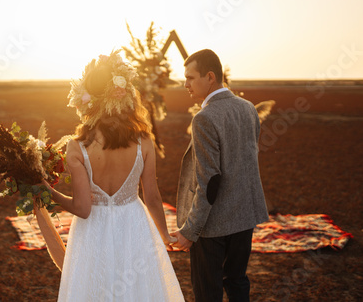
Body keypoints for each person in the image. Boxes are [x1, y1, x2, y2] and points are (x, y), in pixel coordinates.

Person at [44, 51, 184, 301]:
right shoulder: (144, 142)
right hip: (134, 225)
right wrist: (164, 234)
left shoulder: (77, 146)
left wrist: (50, 194)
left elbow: (83, 208)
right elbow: (152, 196)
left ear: (86, 100)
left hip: (92, 231)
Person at [170, 49, 269, 301]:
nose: (185, 84)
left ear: (210, 77)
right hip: (245, 216)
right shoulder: (248, 108)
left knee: (208, 293)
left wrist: (190, 231)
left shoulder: (204, 118)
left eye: (191, 78)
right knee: (237, 282)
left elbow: (210, 181)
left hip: (212, 225)